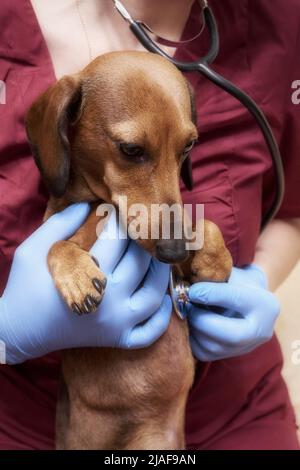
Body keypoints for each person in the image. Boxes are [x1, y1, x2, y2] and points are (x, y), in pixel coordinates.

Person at [0, 0, 299, 450]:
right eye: (131, 151)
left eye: (183, 152)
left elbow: (293, 207)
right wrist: (5, 333)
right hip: (44, 425)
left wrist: (257, 279)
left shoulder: (283, 20)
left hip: (233, 414)